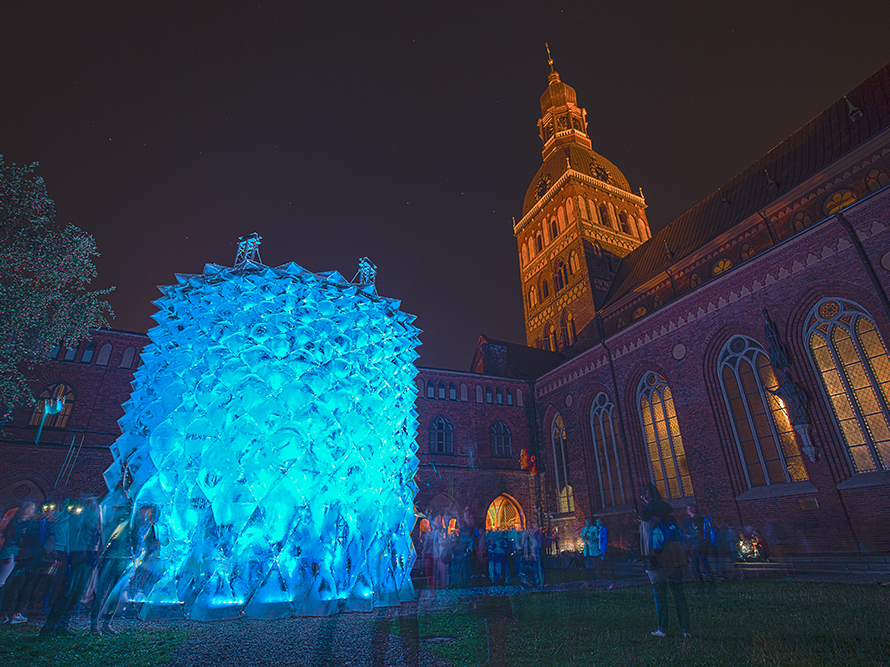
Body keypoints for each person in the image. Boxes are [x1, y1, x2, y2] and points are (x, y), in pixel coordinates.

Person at [640, 484, 690, 639]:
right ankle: (685, 630)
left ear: (644, 498)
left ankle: (662, 628)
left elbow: (647, 542)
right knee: (679, 595)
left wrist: (650, 559)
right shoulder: (670, 516)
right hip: (675, 558)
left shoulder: (648, 516)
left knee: (660, 595)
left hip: (658, 558)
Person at [684, 504, 715, 593]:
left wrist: (689, 536)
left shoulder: (695, 520)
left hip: (698, 545)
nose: (687, 510)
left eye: (688, 508)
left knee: (695, 566)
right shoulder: (700, 519)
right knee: (704, 564)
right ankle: (710, 586)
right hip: (702, 545)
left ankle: (702, 587)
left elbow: (697, 533)